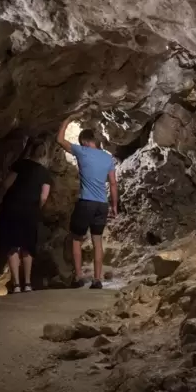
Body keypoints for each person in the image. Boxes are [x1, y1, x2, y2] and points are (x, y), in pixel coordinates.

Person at [56, 114, 118, 289]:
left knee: (76, 239)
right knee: (97, 240)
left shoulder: (82, 151)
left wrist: (67, 119)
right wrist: (114, 206)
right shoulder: (108, 158)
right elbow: (113, 183)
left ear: (84, 141)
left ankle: (79, 277)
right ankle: (97, 280)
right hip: (102, 204)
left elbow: (59, 140)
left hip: (86, 203)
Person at [0, 141, 52, 294]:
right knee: (27, 247)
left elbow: (7, 184)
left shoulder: (20, 165)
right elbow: (44, 197)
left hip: (12, 208)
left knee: (12, 245)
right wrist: (35, 207)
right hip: (30, 211)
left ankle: (16, 285)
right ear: (44, 154)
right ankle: (27, 283)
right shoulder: (45, 173)